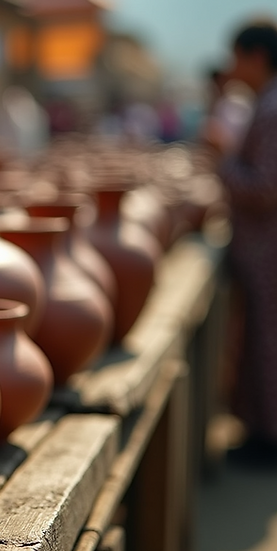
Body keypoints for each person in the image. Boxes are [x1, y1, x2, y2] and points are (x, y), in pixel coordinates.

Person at [208, 19, 277, 466]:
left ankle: (269, 441)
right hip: (260, 250)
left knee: (267, 342)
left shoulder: (272, 109)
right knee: (257, 341)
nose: (233, 69)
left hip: (267, 250)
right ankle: (260, 433)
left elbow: (267, 189)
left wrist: (222, 162)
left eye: (237, 58)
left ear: (255, 57)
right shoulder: (266, 104)